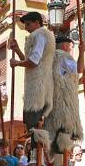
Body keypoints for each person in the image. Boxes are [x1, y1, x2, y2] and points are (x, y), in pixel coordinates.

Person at [8, 12, 54, 143]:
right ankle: (36, 157)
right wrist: (17, 50)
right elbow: (29, 62)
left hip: (37, 88)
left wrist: (16, 63)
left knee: (34, 126)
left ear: (37, 23)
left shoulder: (39, 34)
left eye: (28, 24)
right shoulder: (42, 36)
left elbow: (33, 62)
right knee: (33, 125)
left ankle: (37, 158)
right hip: (39, 85)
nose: (26, 28)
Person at [45, 34, 85, 166]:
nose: (71, 48)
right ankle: (60, 164)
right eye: (70, 46)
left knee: (57, 131)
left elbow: (66, 78)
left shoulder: (49, 58)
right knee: (65, 130)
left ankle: (58, 161)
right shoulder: (63, 55)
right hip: (64, 101)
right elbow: (78, 69)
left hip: (53, 100)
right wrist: (82, 52)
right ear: (65, 46)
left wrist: (77, 82)